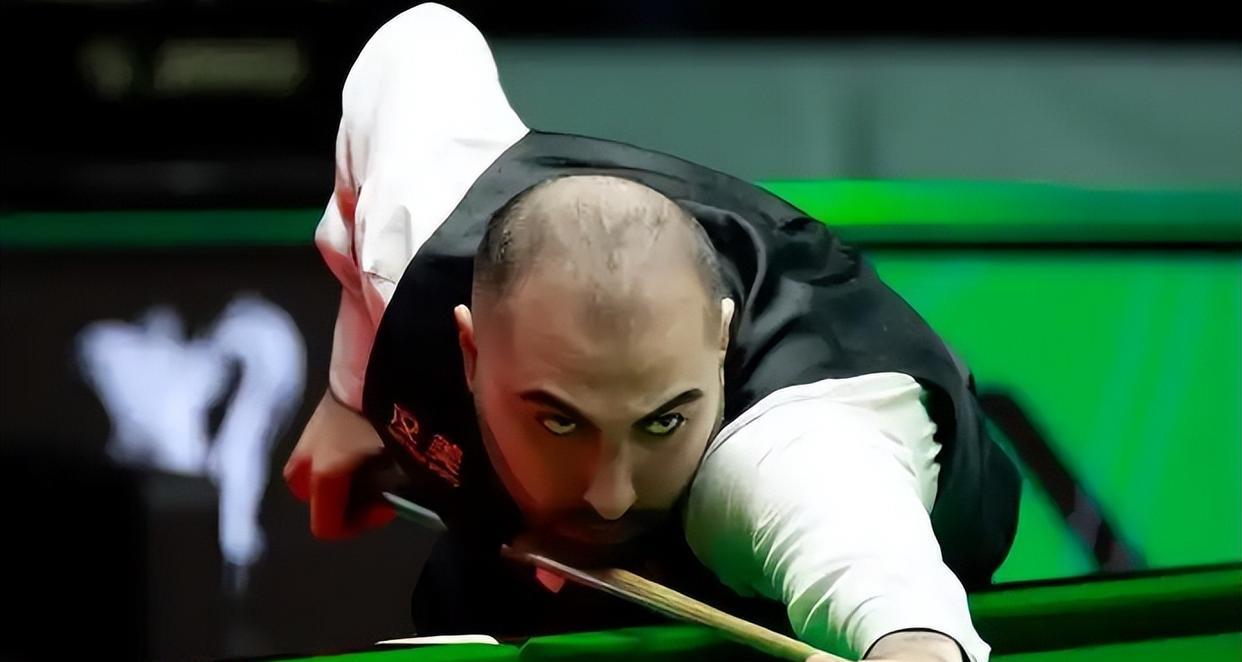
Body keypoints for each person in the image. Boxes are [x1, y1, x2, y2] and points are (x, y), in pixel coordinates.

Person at [283, 5, 1021, 661]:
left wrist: (910, 644)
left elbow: (879, 580)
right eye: (559, 421)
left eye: (663, 422)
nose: (610, 494)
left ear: (721, 347)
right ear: (470, 351)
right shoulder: (415, 243)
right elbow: (416, 42)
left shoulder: (792, 453)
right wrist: (352, 396)